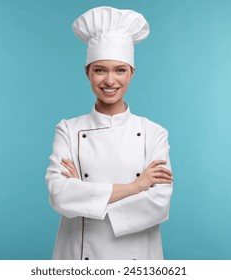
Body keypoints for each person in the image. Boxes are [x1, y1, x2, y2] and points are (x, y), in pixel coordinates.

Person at [45, 6, 174, 260]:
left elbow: (159, 203)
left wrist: (83, 193)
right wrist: (136, 186)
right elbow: (59, 194)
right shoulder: (68, 130)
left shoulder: (154, 133)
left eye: (120, 70)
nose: (110, 81)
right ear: (87, 72)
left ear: (132, 73)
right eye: (100, 69)